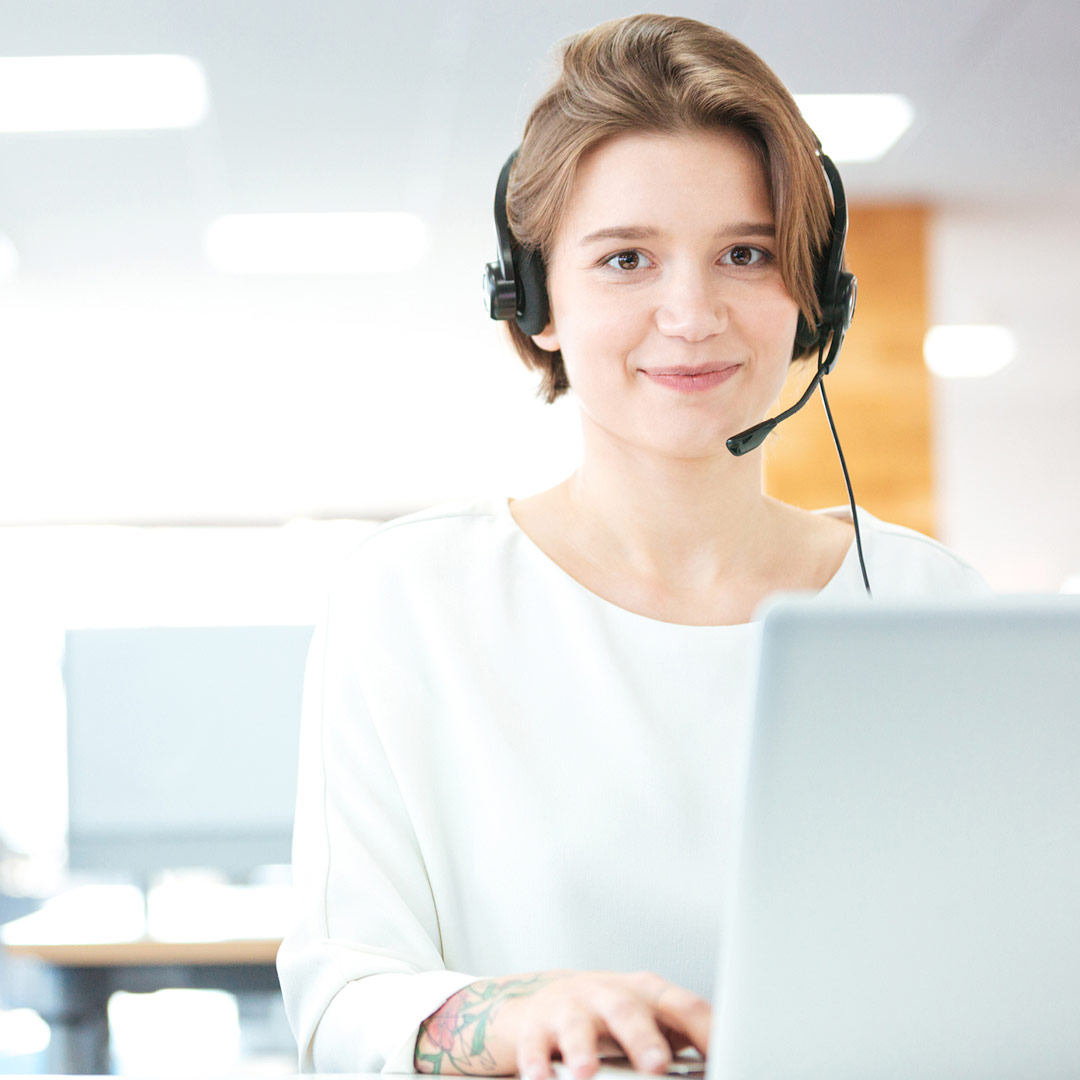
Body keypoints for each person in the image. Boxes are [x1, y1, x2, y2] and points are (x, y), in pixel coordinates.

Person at [276, 13, 989, 1079]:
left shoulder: (929, 602)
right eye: (625, 260)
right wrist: (509, 1014)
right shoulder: (413, 599)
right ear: (535, 300)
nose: (692, 313)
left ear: (812, 295)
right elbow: (342, 999)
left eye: (744, 254)